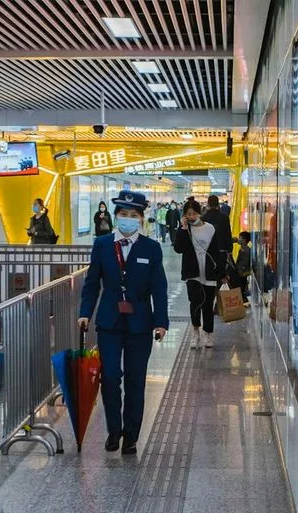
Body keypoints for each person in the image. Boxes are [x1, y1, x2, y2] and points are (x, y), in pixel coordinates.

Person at [77, 191, 169, 455]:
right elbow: (92, 281)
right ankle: (113, 431)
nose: (128, 219)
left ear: (141, 218)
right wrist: (85, 311)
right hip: (109, 321)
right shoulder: (103, 244)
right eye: (123, 215)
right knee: (110, 376)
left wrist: (161, 321)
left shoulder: (151, 248)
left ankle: (131, 435)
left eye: (133, 215)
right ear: (116, 216)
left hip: (140, 323)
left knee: (135, 379)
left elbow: (158, 287)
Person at [173, 199, 222, 349]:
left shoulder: (210, 228)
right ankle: (195, 334)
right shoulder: (184, 230)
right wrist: (182, 229)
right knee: (194, 303)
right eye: (188, 214)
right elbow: (178, 249)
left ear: (200, 213)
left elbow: (217, 252)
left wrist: (221, 272)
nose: (191, 216)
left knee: (208, 304)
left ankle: (208, 334)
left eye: (194, 213)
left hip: (208, 272)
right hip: (192, 272)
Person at [233, 231, 253, 306]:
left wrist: (237, 271)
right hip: (241, 272)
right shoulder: (242, 249)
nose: (238, 239)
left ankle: (243, 302)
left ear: (244, 240)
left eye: (240, 238)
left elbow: (244, 264)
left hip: (242, 273)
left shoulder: (245, 250)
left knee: (240, 288)